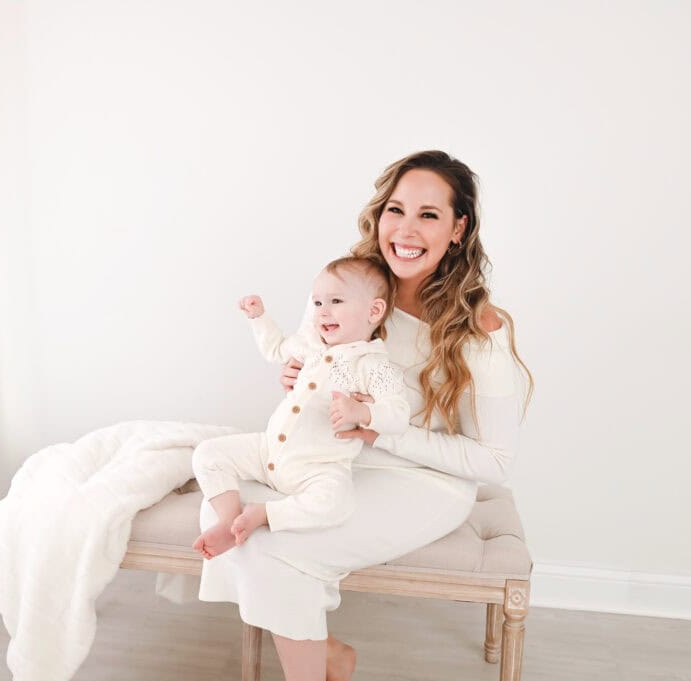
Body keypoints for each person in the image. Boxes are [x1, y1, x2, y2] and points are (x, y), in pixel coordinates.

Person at [196, 150, 534, 681]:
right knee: (228, 520)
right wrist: (298, 381)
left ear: (458, 228)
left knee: (272, 543)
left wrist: (380, 432)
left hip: (426, 480)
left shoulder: (481, 330)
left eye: (429, 215)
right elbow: (310, 359)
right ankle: (328, 657)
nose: (405, 229)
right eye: (396, 210)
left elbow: (494, 461)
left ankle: (318, 666)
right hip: (334, 458)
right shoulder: (348, 286)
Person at [191, 257, 411, 560]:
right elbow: (276, 349)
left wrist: (362, 413)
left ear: (374, 310)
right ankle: (229, 520)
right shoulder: (311, 344)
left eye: (335, 301)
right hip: (268, 450)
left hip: (319, 466)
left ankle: (264, 513)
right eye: (318, 302)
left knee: (336, 504)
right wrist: (259, 319)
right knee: (208, 453)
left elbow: (399, 413)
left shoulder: (372, 364)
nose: (323, 311)